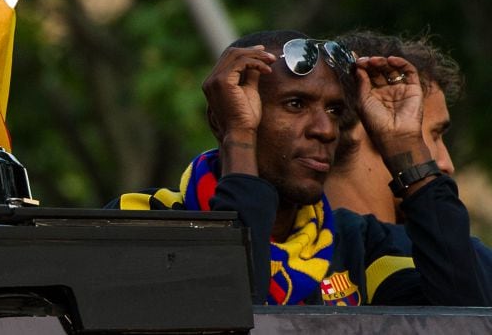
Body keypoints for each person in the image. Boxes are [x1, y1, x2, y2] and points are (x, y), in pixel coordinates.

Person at [112, 30, 491, 306]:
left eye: (334, 110)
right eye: (295, 104)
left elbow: (465, 313)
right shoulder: (144, 223)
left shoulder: (361, 244)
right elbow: (234, 312)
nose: (325, 129)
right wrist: (240, 139)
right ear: (222, 117)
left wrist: (405, 145)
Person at [325, 30, 462, 223]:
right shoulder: (440, 251)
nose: (447, 164)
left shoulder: (280, 246)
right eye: (435, 135)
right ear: (375, 119)